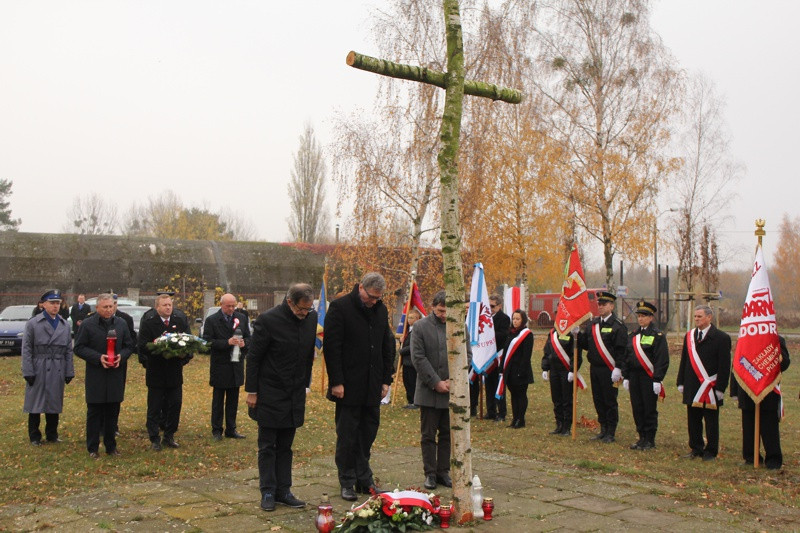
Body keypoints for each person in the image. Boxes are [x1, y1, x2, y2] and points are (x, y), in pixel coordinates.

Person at [323, 272, 395, 502]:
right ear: (361, 288)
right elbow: (332, 347)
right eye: (371, 296)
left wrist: (386, 379)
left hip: (373, 385)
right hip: (348, 385)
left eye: (378, 298)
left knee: (367, 432)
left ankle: (364, 478)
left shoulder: (380, 309)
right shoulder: (340, 307)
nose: (374, 301)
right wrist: (337, 382)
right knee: (348, 435)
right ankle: (347, 480)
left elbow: (387, 344)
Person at [245, 284, 317, 512]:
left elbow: (307, 355)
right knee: (268, 446)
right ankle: (267, 491)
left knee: (286, 446)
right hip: (270, 391)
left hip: (294, 392)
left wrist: (306, 383)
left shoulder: (310, 319)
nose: (304, 314)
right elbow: (254, 358)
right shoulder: (267, 321)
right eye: (301, 309)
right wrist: (252, 391)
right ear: (289, 302)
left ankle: (284, 490)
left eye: (308, 310)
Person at [73, 293, 135, 458]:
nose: (109, 310)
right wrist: (98, 358)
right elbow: (78, 348)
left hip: (115, 373)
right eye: (105, 307)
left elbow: (130, 346)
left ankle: (111, 446)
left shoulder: (121, 323)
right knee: (94, 412)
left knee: (112, 412)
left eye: (111, 306)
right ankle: (92, 448)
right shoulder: (87, 324)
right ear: (97, 308)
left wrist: (122, 356)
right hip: (96, 374)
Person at [676, 305, 731, 461]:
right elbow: (684, 361)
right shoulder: (689, 336)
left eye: (700, 316)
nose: (696, 319)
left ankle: (711, 451)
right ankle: (696, 447)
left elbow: (724, 366)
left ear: (709, 317)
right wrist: (681, 381)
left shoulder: (721, 338)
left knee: (711, 420)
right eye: (695, 316)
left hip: (711, 387)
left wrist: (721, 387)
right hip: (692, 384)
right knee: (693, 418)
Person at [138, 292, 192, 451]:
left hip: (174, 372)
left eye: (170, 305)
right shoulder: (149, 322)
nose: (168, 307)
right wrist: (159, 348)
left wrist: (184, 355)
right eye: (165, 305)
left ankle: (169, 435)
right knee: (154, 407)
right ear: (157, 307)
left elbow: (189, 342)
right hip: (156, 371)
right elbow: (142, 346)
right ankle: (154, 438)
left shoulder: (179, 321)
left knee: (175, 405)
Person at [411, 291, 452, 490]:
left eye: (447, 311)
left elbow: (467, 354)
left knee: (447, 434)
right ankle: (430, 473)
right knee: (428, 435)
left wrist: (454, 380)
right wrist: (436, 382)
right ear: (433, 307)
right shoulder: (420, 327)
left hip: (452, 390)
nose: (444, 315)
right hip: (429, 391)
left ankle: (443, 471)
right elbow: (418, 357)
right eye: (440, 310)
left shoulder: (458, 327)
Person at [21, 289, 74, 446]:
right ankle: (34, 436)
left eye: (58, 303)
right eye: (52, 303)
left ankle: (52, 434)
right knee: (35, 403)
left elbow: (68, 350)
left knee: (54, 402)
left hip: (57, 365)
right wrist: (28, 371)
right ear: (43, 304)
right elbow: (27, 349)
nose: (55, 306)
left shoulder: (64, 324)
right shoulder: (33, 323)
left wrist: (69, 371)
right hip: (39, 365)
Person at [729, 336, 790, 469]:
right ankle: (751, 457)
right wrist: (734, 390)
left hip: (768, 391)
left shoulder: (776, 339)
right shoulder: (744, 340)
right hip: (747, 390)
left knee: (770, 428)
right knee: (749, 426)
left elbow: (785, 364)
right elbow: (736, 365)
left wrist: (775, 355)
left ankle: (773, 459)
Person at [578, 291, 627, 443]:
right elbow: (586, 345)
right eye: (599, 304)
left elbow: (622, 349)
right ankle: (603, 428)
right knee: (598, 399)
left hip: (610, 369)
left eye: (604, 304)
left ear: (611, 306)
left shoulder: (618, 326)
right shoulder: (593, 324)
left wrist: (619, 368)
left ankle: (611, 432)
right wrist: (577, 335)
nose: (600, 307)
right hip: (595, 367)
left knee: (609, 400)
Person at [622, 301, 669, 451]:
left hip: (648, 377)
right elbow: (627, 357)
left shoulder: (658, 336)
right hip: (635, 376)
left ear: (651, 318)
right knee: (637, 407)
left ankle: (650, 439)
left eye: (644, 316)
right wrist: (626, 376)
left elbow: (662, 359)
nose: (641, 319)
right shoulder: (633, 335)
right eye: (639, 316)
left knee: (649, 408)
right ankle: (641, 437)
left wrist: (657, 379)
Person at [203, 293, 250, 441]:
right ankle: (217, 430)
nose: (231, 309)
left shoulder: (242, 318)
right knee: (218, 400)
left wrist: (244, 344)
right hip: (220, 365)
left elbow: (249, 337)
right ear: (221, 305)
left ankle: (231, 428)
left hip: (236, 365)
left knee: (233, 400)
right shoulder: (212, 320)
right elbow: (207, 342)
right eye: (228, 306)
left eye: (233, 306)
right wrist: (226, 342)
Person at [542, 328, 581, 436]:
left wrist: (573, 369)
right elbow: (547, 351)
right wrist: (545, 368)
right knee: (556, 398)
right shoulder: (552, 333)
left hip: (566, 370)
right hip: (554, 370)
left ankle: (567, 426)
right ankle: (559, 424)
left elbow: (576, 353)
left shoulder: (571, 333)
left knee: (566, 399)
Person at [501, 309, 534, 429]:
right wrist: (502, 368)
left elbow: (527, 355)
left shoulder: (527, 334)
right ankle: (515, 418)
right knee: (513, 395)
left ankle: (521, 419)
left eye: (518, 319)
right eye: (513, 319)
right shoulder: (511, 333)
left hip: (521, 370)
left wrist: (521, 371)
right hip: (510, 369)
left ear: (523, 320)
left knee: (520, 394)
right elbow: (505, 351)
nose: (515, 321)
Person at [482, 294, 510, 422]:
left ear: (499, 306)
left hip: (498, 355)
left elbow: (504, 335)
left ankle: (501, 412)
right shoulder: (485, 318)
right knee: (488, 384)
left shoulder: (504, 318)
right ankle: (490, 410)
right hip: (487, 354)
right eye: (489, 306)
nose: (490, 308)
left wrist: (489, 334)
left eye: (492, 306)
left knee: (498, 385)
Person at [399, 308, 422, 409]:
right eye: (408, 317)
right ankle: (410, 400)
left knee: (413, 381)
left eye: (411, 317)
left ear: (417, 319)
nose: (409, 320)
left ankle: (415, 402)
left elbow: (413, 345)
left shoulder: (418, 330)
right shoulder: (407, 330)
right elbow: (406, 344)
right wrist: (401, 342)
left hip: (413, 361)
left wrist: (401, 351)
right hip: (406, 361)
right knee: (406, 381)